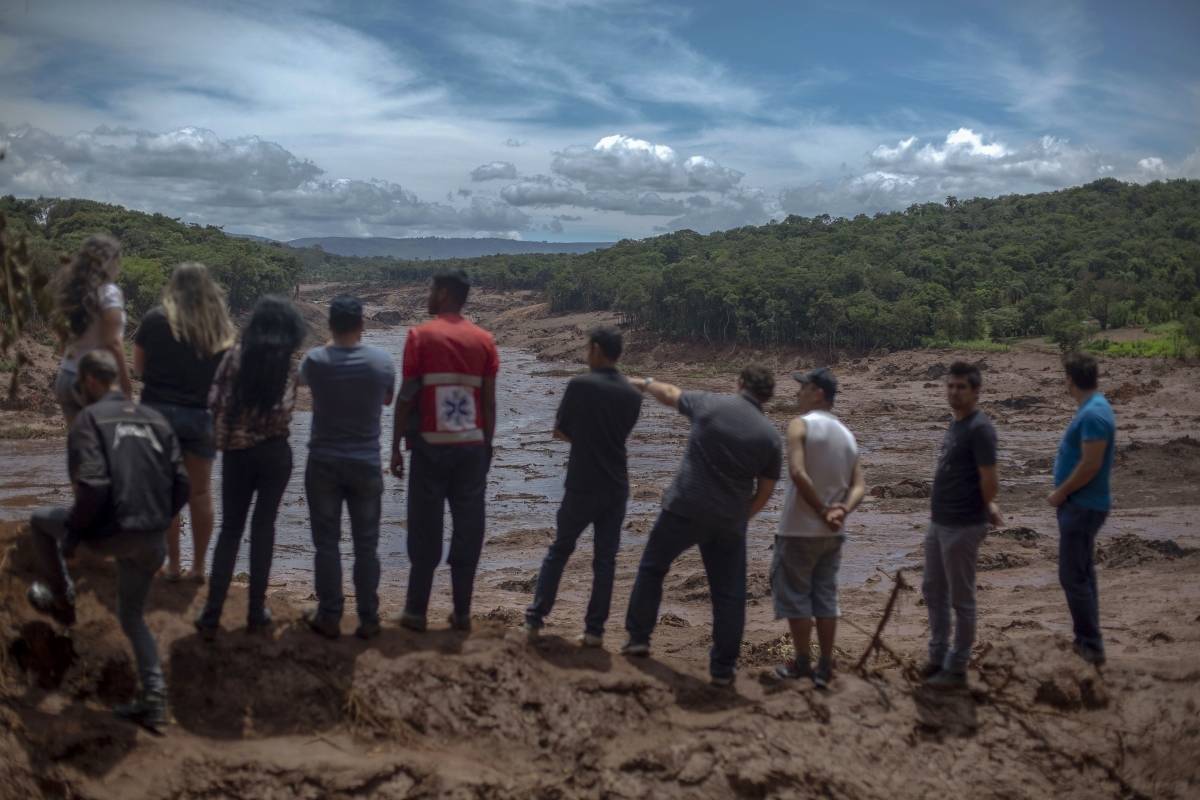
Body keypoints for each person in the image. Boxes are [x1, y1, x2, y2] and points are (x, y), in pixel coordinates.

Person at [26, 349, 189, 731]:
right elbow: (183, 484)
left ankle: (62, 600)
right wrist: (157, 521)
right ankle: (154, 702)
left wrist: (75, 536)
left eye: (81, 384)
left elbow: (94, 485)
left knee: (39, 520)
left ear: (93, 383)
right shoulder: (154, 418)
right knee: (132, 617)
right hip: (152, 539)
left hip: (109, 534)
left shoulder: (89, 420)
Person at [622, 365, 782, 688]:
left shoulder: (710, 404)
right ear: (767, 396)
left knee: (653, 568)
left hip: (684, 507)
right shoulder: (770, 437)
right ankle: (723, 669)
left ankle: (638, 639)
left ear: (739, 383)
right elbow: (765, 492)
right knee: (729, 595)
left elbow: (669, 394)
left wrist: (644, 382)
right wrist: (741, 517)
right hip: (729, 521)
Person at [390, 269, 498, 633]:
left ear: (446, 293)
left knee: (424, 527)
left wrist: (394, 447)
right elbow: (488, 400)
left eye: (433, 289)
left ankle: (416, 612)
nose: (429, 294)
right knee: (469, 526)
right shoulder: (484, 340)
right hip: (471, 448)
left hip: (429, 449)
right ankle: (462, 614)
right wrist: (488, 445)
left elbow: (407, 396)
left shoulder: (420, 336)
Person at [524, 326, 642, 646]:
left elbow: (560, 431)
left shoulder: (580, 385)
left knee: (560, 550)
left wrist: (586, 440)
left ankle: (535, 620)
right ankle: (594, 632)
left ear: (597, 350)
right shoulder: (632, 394)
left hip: (582, 482)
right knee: (605, 561)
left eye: (587, 348)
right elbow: (620, 436)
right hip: (617, 485)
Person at [195, 296, 306, 638]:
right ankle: (256, 611)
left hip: (237, 454)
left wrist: (225, 435)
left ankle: (212, 615)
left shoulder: (234, 356)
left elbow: (214, 402)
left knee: (230, 530)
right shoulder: (288, 364)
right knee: (264, 529)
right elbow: (287, 407)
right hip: (275, 453)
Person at [299, 296, 395, 641]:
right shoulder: (381, 362)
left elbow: (300, 383)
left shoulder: (316, 360)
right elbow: (388, 400)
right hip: (366, 463)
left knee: (326, 544)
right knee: (366, 545)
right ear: (362, 325)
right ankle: (368, 618)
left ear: (330, 325)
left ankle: (329, 614)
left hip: (323, 461)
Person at [133, 263, 235, 582]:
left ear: (172, 287)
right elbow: (225, 378)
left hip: (157, 414)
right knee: (200, 494)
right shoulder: (218, 325)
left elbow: (138, 369)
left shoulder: (153, 319)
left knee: (165, 493)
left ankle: (173, 566)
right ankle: (199, 568)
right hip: (199, 415)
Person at [772, 368, 865, 689]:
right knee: (826, 597)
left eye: (804, 388)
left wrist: (823, 510)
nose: (798, 393)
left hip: (799, 528)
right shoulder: (847, 434)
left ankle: (801, 663)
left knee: (796, 597)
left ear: (819, 394)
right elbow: (859, 486)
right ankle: (825, 665)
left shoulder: (800, 425)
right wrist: (841, 510)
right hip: (832, 533)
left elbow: (797, 472)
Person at [922, 361, 1002, 690]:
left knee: (961, 598)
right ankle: (938, 654)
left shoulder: (979, 429)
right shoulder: (955, 425)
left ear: (976, 391)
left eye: (961, 387)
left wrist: (984, 509)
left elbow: (990, 480)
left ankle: (956, 666)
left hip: (962, 525)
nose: (954, 392)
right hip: (939, 523)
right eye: (950, 386)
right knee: (933, 590)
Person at [1048, 352, 1115, 666]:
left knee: (1072, 575)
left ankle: (1089, 644)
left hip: (1082, 505)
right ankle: (1090, 640)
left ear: (1070, 380)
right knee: (1083, 574)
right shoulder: (1094, 409)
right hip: (1084, 504)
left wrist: (1061, 493)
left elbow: (1091, 464)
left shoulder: (1093, 415)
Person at [52, 235, 133, 425]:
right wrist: (126, 385)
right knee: (103, 447)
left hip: (66, 376)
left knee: (79, 447)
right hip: (95, 382)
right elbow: (112, 343)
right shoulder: (108, 292)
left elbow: (61, 343)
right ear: (109, 262)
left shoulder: (72, 291)